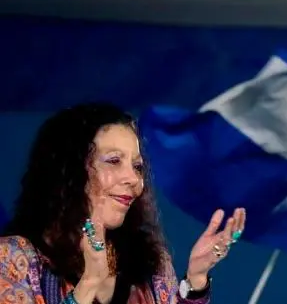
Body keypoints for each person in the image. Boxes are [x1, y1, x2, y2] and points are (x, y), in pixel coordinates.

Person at [0, 102, 247, 304]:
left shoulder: (150, 262)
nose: (133, 179)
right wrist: (88, 285)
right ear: (69, 171)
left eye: (137, 166)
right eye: (114, 161)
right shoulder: (13, 260)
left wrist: (195, 279)